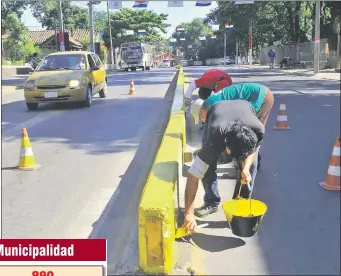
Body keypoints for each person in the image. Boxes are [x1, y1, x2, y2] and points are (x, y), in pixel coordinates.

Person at [183, 100, 265, 230]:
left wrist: (246, 168)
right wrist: (189, 213)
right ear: (225, 142)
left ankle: (238, 210)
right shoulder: (215, 135)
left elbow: (253, 151)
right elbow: (193, 174)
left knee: (251, 167)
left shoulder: (258, 130)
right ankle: (212, 200)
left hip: (245, 107)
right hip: (217, 111)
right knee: (207, 164)